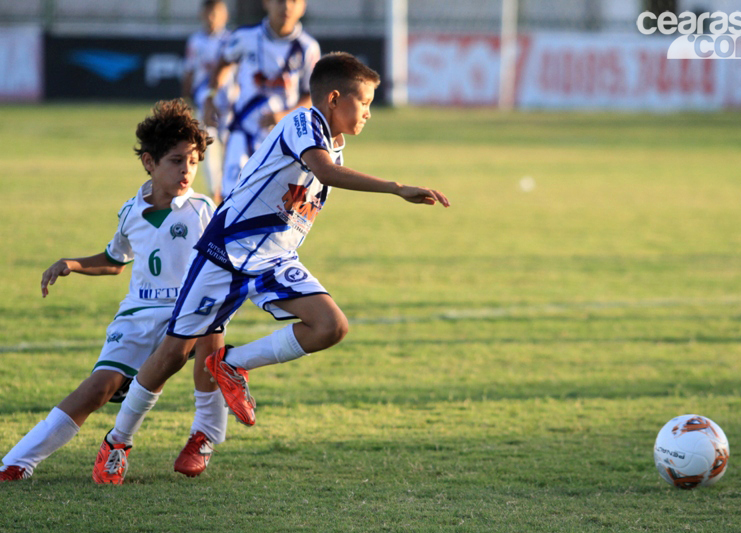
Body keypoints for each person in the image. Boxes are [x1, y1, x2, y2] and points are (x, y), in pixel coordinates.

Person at [92, 52, 450, 484]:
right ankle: (117, 441)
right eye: (365, 102)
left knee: (331, 326)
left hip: (275, 259)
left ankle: (232, 365)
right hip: (226, 251)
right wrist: (396, 188)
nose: (369, 113)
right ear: (334, 99)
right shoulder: (303, 123)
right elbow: (324, 172)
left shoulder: (335, 142)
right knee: (173, 354)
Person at [0, 100, 227, 483]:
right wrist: (72, 264)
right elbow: (115, 259)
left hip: (185, 312)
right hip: (137, 315)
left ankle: (195, 436)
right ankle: (17, 462)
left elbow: (226, 260)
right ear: (149, 162)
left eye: (192, 161)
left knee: (206, 336)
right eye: (176, 160)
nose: (187, 170)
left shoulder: (203, 209)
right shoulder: (130, 212)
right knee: (97, 389)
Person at [203, 0, 320, 199]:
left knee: (273, 200)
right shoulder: (245, 37)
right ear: (266, 3)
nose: (287, 7)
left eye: (294, 1)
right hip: (243, 130)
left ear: (303, 6)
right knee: (229, 195)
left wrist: (285, 115)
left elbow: (311, 95)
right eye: (280, 1)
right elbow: (223, 63)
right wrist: (210, 98)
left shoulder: (308, 47)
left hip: (282, 138)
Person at [182, 0, 231, 204]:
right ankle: (215, 191)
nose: (212, 18)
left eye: (216, 14)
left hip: (228, 104)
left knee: (230, 147)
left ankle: (231, 188)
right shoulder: (195, 41)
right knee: (207, 145)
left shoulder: (232, 40)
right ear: (202, 15)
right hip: (204, 101)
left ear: (224, 15)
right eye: (209, 14)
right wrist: (186, 100)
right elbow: (189, 71)